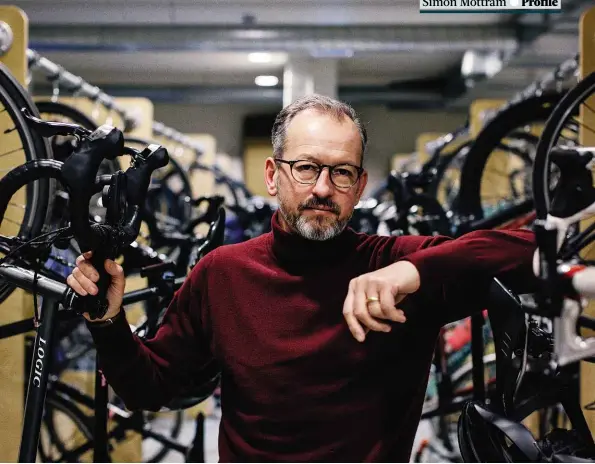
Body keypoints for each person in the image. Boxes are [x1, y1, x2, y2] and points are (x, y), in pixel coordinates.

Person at [68, 94, 537, 462]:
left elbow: (531, 252)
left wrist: (413, 270)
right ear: (273, 175)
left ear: (359, 186)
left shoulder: (394, 265)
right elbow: (152, 387)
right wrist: (109, 322)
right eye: (307, 167)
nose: (322, 188)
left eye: (341, 173)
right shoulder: (223, 274)